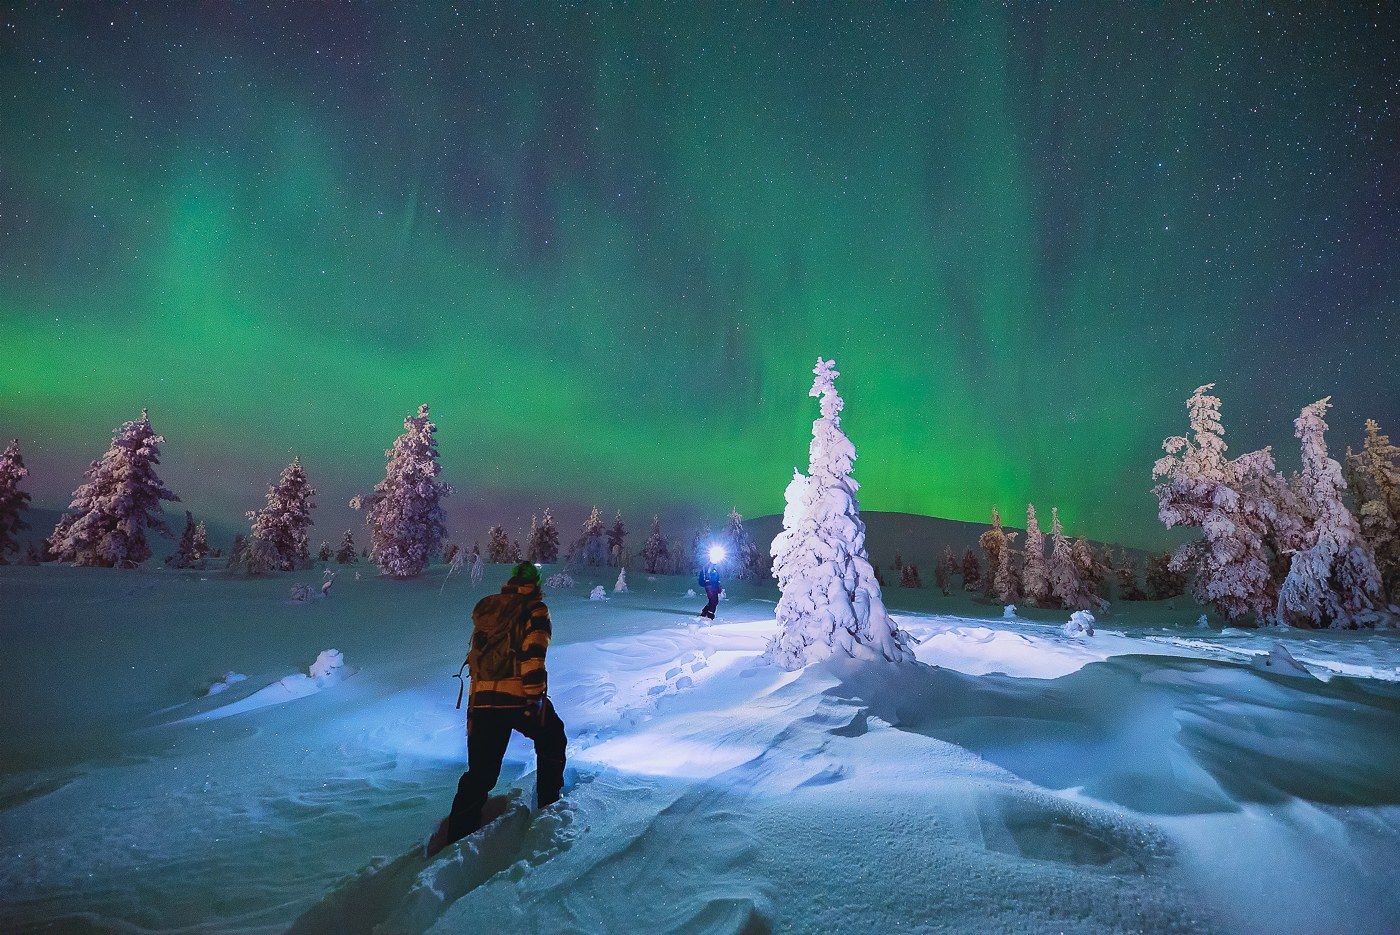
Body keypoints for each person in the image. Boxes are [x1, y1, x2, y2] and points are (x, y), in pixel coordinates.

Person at [427, 561, 566, 856]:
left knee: (481, 771)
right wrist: (535, 697)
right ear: (537, 582)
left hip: (483, 699)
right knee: (553, 738)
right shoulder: (535, 610)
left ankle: (457, 835)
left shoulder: (492, 612)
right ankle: (549, 804)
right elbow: (533, 654)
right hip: (516, 697)